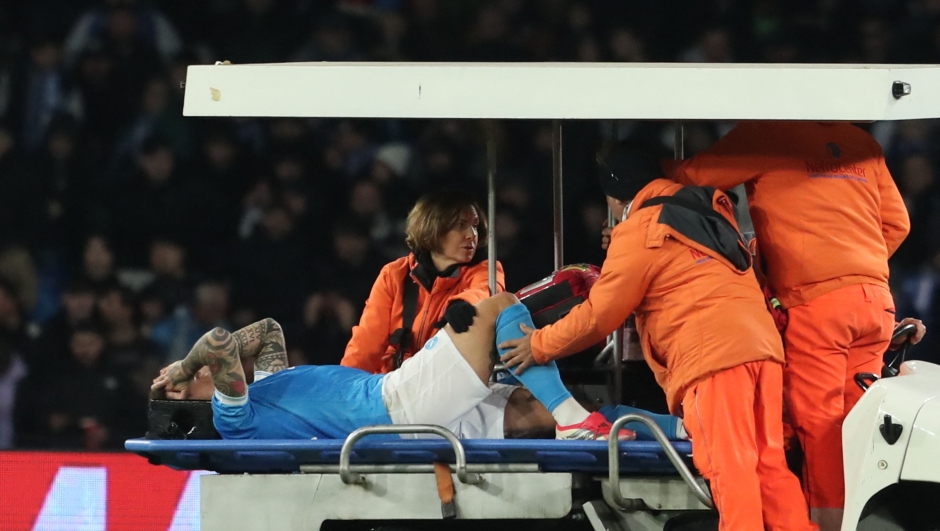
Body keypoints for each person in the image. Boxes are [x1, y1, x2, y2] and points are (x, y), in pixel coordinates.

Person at [499, 142, 818, 531]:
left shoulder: (640, 229)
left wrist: (537, 345)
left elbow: (600, 315)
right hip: (762, 351)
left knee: (728, 467)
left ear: (615, 198)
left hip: (713, 359)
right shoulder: (708, 210)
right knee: (768, 464)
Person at [664, 121, 924, 531]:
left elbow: (691, 176)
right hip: (875, 304)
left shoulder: (768, 133)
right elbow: (897, 223)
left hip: (817, 306)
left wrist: (634, 168)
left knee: (820, 431)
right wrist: (855, 265)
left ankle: (828, 527)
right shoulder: (862, 142)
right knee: (854, 429)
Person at [151, 293, 631, 441]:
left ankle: (657, 425)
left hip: (398, 400)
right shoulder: (232, 418)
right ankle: (571, 420)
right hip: (394, 409)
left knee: (552, 409)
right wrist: (181, 368)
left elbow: (270, 330)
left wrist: (187, 370)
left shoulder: (264, 390)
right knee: (497, 306)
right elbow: (216, 342)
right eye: (180, 387)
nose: (189, 375)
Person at [341, 189, 506, 374]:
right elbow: (366, 345)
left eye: (475, 226)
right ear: (433, 228)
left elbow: (485, 291)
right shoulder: (394, 274)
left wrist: (463, 304)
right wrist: (344, 388)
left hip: (450, 384)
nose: (472, 235)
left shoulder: (486, 269)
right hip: (394, 385)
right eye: (461, 225)